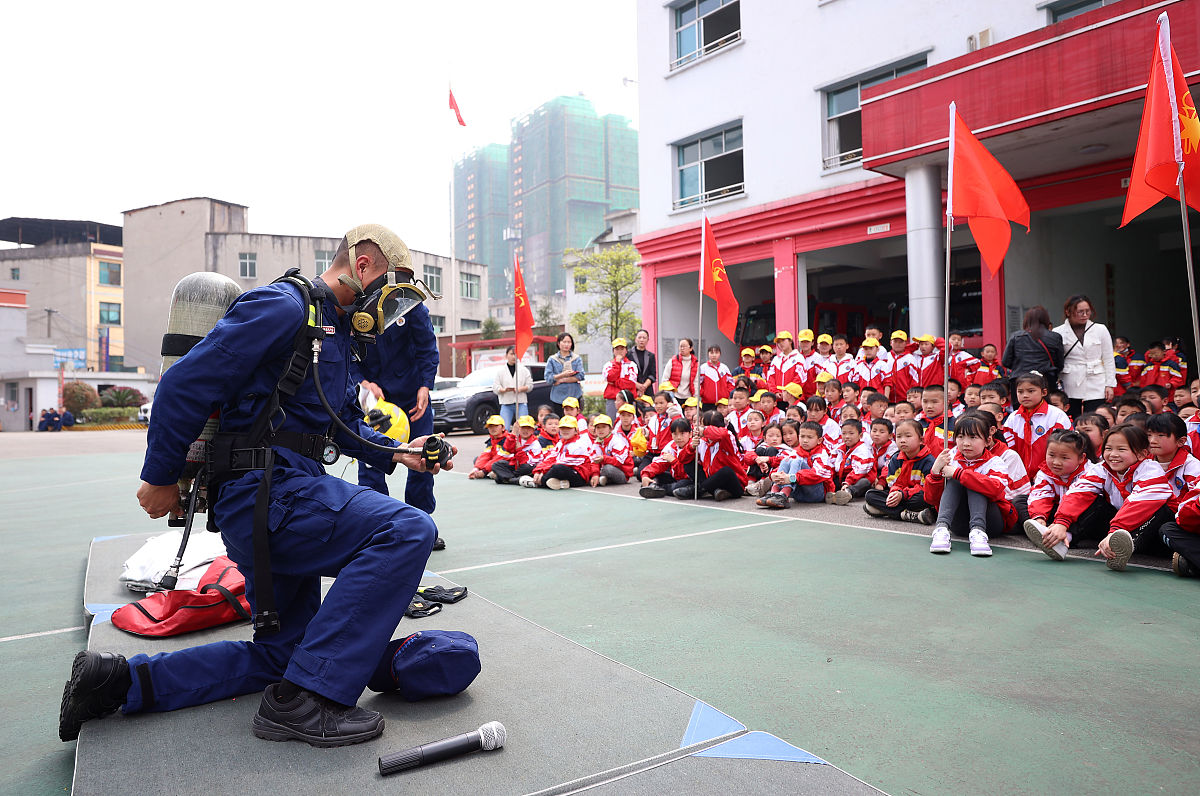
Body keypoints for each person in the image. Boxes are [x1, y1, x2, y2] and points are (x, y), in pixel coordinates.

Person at [61, 225, 447, 748]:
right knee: (406, 530)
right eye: (395, 295)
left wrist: (398, 453)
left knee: (282, 654)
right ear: (364, 267)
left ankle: (118, 682)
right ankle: (312, 701)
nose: (393, 314)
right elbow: (183, 383)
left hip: (284, 494)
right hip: (269, 495)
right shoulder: (286, 307)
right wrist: (159, 477)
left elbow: (332, 426)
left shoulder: (332, 332)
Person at [352, 259, 439, 516]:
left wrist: (425, 386)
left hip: (414, 397)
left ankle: (421, 521)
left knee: (425, 456)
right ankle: (379, 523)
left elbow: (427, 349)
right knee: (371, 461)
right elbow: (348, 355)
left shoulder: (411, 305)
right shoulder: (358, 307)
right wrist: (363, 383)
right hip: (374, 399)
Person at [1039, 423, 1172, 571]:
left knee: (1160, 511)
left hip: (1152, 533)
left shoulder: (1151, 469)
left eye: (1121, 449)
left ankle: (1123, 547)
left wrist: (1116, 530)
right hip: (1119, 527)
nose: (1113, 454)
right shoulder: (1102, 469)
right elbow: (1078, 492)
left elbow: (1139, 503)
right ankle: (1063, 539)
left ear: (1141, 454)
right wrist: (1061, 522)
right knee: (1092, 501)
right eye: (1108, 448)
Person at [925, 414, 1018, 556]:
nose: (966, 443)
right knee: (957, 480)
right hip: (958, 524)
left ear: (987, 441)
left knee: (973, 480)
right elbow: (931, 499)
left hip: (990, 524)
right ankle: (941, 529)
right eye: (960, 437)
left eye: (973, 437)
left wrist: (959, 474)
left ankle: (978, 532)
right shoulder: (949, 458)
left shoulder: (996, 462)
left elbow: (995, 489)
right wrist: (935, 473)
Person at [1022, 429, 1097, 560]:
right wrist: (1039, 519)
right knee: (1020, 501)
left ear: (1081, 458)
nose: (1056, 462)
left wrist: (1062, 523)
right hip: (1059, 515)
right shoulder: (1045, 472)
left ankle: (1065, 538)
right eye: (1051, 455)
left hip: (1078, 518)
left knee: (1096, 505)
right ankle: (1045, 531)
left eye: (1064, 457)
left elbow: (1078, 499)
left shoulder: (1091, 472)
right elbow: (1041, 495)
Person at [1052, 294, 1115, 417]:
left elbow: (1108, 359)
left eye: (1087, 311)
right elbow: (1055, 360)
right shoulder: (1058, 332)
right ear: (1068, 312)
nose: (1085, 315)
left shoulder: (1100, 329)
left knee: (1094, 417)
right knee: (1072, 416)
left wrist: (1110, 384)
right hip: (1070, 381)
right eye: (1080, 312)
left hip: (1096, 380)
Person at [863, 419, 937, 524]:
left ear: (921, 440)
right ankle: (909, 515)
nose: (902, 440)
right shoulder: (895, 458)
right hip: (901, 496)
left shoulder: (928, 461)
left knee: (923, 498)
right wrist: (895, 494)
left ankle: (887, 511)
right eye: (899, 436)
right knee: (870, 495)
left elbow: (927, 488)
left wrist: (903, 494)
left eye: (908, 436)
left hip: (914, 497)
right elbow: (892, 483)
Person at [1003, 372, 1072, 478]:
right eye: (1020, 392)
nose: (1025, 395)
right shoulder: (1013, 418)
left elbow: (1064, 448)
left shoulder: (1057, 416)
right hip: (1019, 477)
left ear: (1044, 392)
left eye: (1031, 391)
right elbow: (1009, 451)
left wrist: (1044, 472)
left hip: (1050, 476)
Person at [1002, 305, 1064, 389]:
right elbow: (1060, 364)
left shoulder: (1016, 336)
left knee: (1021, 402)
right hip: (1046, 380)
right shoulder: (1055, 337)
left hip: (1019, 380)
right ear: (1046, 320)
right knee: (1045, 402)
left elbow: (1005, 362)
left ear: (1026, 320)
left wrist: (1019, 366)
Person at [530, 415, 593, 490]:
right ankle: (561, 483)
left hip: (579, 476)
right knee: (535, 467)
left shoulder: (579, 444)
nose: (565, 430)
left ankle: (537, 482)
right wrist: (538, 470)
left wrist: (543, 473)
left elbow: (563, 463)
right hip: (564, 471)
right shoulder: (561, 442)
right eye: (563, 428)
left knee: (558, 468)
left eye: (568, 428)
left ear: (576, 430)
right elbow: (551, 457)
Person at [492, 415, 543, 485]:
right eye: (523, 428)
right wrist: (513, 433)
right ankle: (513, 479)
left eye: (528, 428)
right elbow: (508, 449)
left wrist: (519, 450)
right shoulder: (516, 438)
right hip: (516, 465)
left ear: (533, 430)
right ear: (518, 428)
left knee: (527, 467)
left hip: (528, 467)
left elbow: (527, 462)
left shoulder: (535, 444)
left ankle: (506, 478)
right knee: (497, 464)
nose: (525, 430)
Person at [493, 346, 532, 430]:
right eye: (512, 354)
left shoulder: (523, 370)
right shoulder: (501, 371)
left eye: (516, 354)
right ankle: (505, 443)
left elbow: (530, 386)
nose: (514, 356)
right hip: (506, 403)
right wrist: (503, 390)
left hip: (521, 402)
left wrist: (520, 389)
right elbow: (495, 387)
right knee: (504, 428)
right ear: (506, 355)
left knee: (523, 426)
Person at [589, 414, 635, 486]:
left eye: (604, 427)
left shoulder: (616, 441)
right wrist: (595, 474)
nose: (601, 430)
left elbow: (619, 462)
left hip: (622, 473)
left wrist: (603, 458)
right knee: (590, 469)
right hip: (604, 469)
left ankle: (604, 479)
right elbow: (593, 461)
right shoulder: (596, 443)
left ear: (611, 429)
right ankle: (602, 479)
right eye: (598, 427)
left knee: (608, 469)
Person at [545, 332, 584, 416]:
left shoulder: (576, 359)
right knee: (560, 422)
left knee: (575, 422)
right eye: (564, 342)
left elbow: (581, 375)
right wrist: (562, 374)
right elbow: (548, 378)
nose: (566, 344)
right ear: (559, 343)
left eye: (569, 342)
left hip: (574, 394)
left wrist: (561, 380)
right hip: (558, 397)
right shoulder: (552, 359)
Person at [602, 338, 638, 418]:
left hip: (628, 399)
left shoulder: (632, 365)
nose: (619, 351)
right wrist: (617, 364)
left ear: (626, 350)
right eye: (617, 349)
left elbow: (630, 383)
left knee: (630, 423)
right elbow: (610, 378)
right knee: (612, 423)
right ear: (613, 351)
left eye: (622, 349)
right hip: (613, 399)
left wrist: (615, 382)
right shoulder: (608, 365)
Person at [697, 344, 733, 411]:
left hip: (722, 403)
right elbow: (698, 383)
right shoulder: (703, 368)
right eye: (711, 353)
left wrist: (727, 393)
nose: (714, 355)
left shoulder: (724, 368)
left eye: (716, 353)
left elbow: (731, 383)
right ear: (708, 354)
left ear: (720, 354)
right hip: (707, 402)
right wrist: (703, 394)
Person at [626, 329, 657, 398]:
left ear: (648, 340)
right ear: (635, 339)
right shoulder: (628, 354)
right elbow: (626, 373)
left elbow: (653, 375)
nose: (641, 340)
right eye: (639, 337)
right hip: (632, 389)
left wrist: (644, 386)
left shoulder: (651, 356)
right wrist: (636, 385)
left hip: (647, 390)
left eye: (644, 338)